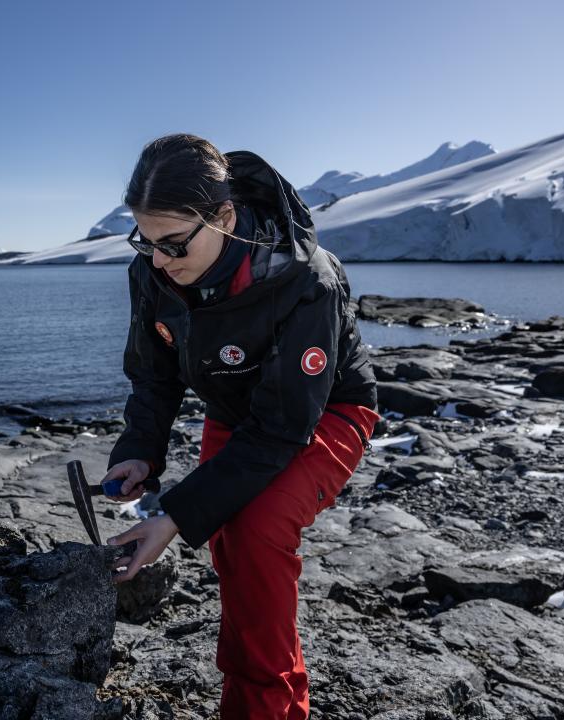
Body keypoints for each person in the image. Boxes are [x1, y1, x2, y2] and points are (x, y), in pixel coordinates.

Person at [102, 133, 381, 719]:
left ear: (224, 218)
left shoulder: (305, 279)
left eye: (173, 243)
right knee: (231, 547)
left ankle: (269, 707)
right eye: (144, 241)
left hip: (324, 411)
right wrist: (140, 451)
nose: (158, 260)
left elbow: (282, 426)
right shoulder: (153, 270)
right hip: (236, 413)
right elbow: (154, 375)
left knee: (255, 533)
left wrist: (172, 517)